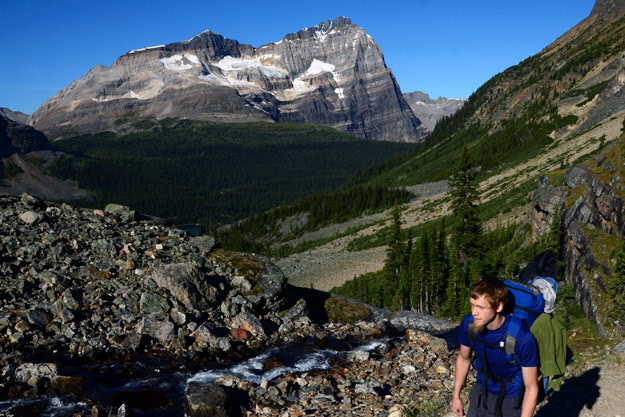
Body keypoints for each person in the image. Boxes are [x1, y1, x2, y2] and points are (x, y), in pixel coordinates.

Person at [451, 277, 539, 417]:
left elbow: (531, 387)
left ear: (499, 307)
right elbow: (463, 358)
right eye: (472, 305)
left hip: (510, 399)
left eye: (480, 307)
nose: (474, 312)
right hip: (481, 393)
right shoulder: (470, 325)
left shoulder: (521, 336)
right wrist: (456, 396)